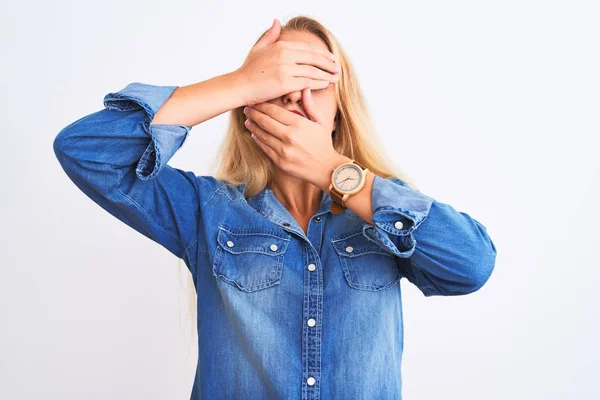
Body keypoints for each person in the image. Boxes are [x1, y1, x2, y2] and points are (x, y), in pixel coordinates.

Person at [53, 15, 497, 400]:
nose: (294, 97)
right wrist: (239, 81)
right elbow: (86, 151)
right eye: (278, 81)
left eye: (315, 82)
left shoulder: (383, 209)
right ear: (248, 108)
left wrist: (333, 171)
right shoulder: (207, 209)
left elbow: (471, 265)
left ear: (340, 108)